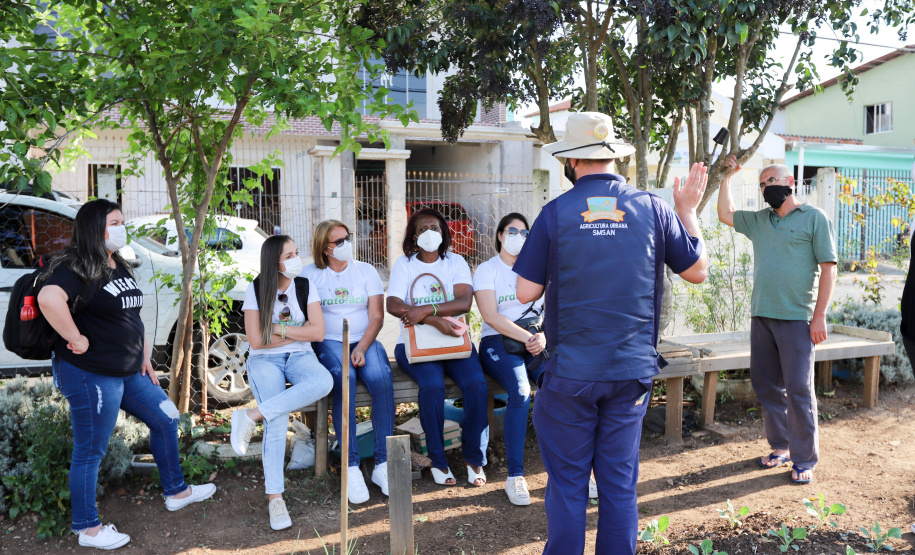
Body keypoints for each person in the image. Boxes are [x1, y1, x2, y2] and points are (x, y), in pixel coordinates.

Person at [513, 112, 709, 554]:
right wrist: (688, 211)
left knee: (568, 485)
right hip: (630, 373)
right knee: (619, 485)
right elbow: (698, 271)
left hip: (571, 374)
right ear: (613, 157)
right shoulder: (653, 208)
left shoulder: (556, 212)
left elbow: (525, 291)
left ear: (571, 161)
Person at [38, 199, 216, 551]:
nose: (122, 228)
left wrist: (144, 354)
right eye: (115, 223)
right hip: (91, 373)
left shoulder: (115, 262)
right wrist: (76, 338)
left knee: (166, 418)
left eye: (122, 222)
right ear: (95, 228)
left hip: (129, 369)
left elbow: (131, 313)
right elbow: (48, 298)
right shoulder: (76, 265)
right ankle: (88, 529)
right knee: (91, 449)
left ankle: (177, 492)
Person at [718, 156, 837, 485]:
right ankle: (781, 446)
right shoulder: (760, 221)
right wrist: (726, 177)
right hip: (762, 317)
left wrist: (819, 316)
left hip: (797, 318)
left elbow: (829, 268)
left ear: (790, 183)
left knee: (799, 389)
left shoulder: (815, 218)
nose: (766, 187)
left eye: (771, 180)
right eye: (762, 184)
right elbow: (725, 214)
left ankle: (804, 458)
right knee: (767, 385)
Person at [231, 235, 333, 530]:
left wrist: (278, 329)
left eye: (296, 253)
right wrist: (297, 331)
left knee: (323, 381)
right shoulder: (257, 288)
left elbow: (318, 332)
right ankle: (275, 498)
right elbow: (256, 341)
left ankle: (251, 415)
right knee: (277, 421)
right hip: (265, 360)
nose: (296, 259)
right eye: (289, 255)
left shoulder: (304, 285)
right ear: (273, 261)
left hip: (301, 357)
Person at [387, 208, 489, 487]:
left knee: (477, 385)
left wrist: (426, 309)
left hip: (454, 339)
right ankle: (438, 459)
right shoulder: (405, 264)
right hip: (415, 343)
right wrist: (433, 320)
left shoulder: (455, 262)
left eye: (435, 228)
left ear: (444, 233)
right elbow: (393, 304)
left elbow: (463, 302)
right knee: (432, 387)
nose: (429, 233)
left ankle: (474, 457)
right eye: (423, 229)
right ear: (413, 236)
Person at [303, 220, 394, 503]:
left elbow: (377, 317)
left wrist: (362, 347)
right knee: (346, 380)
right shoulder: (310, 275)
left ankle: (383, 464)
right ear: (325, 248)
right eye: (339, 241)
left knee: (381, 379)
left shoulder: (366, 271)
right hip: (329, 341)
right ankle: (351, 466)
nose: (347, 244)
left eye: (348, 237)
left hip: (364, 339)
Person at [473, 213, 545, 505]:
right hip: (498, 341)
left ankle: (573, 469)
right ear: (500, 235)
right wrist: (527, 338)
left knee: (560, 386)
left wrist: (544, 336)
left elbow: (552, 310)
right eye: (512, 231)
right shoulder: (487, 270)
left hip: (536, 341)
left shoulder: (539, 268)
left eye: (525, 233)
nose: (519, 237)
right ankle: (515, 475)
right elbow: (491, 316)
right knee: (521, 391)